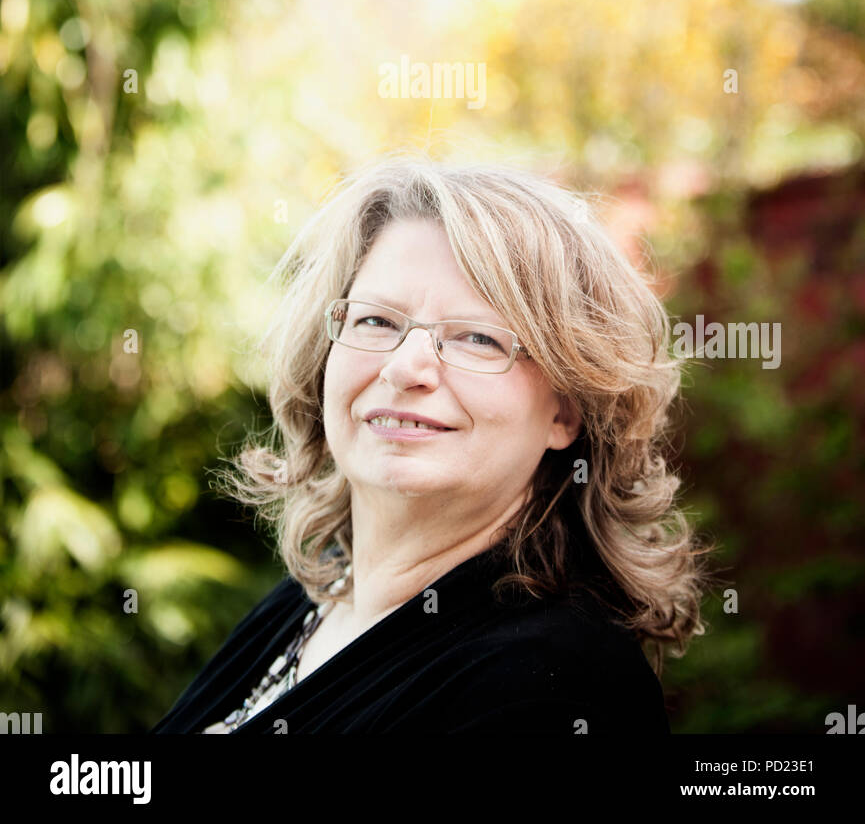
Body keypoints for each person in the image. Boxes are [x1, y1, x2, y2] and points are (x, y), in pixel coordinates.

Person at [151, 155, 708, 735]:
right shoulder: (312, 599)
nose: (405, 367)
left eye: (476, 337)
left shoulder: (557, 692)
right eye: (377, 322)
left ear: (565, 412)